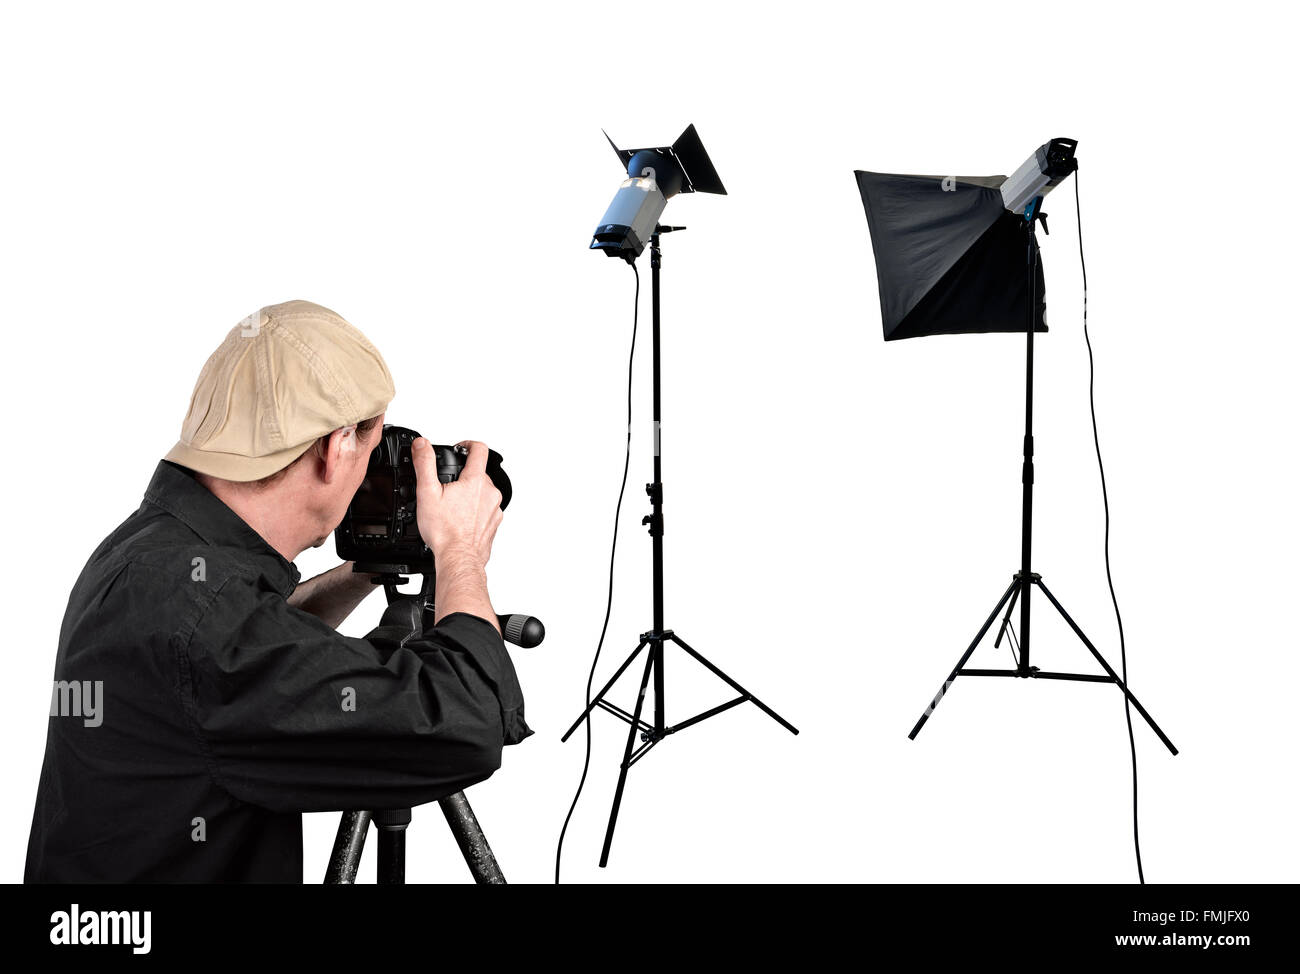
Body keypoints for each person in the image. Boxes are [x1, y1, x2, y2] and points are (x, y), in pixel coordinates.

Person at [25, 300, 530, 882]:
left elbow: (256, 650)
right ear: (334, 447)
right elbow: (465, 722)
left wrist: (368, 566)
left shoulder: (151, 553)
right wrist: (460, 551)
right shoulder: (209, 615)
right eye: (373, 448)